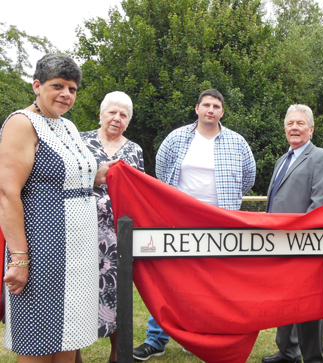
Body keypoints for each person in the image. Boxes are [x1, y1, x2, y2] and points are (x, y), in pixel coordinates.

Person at [0, 54, 116, 363]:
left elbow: (65, 178)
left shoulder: (68, 126)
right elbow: (7, 193)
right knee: (38, 340)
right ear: (37, 86)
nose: (66, 94)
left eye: (73, 89)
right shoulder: (22, 123)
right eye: (58, 86)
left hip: (79, 253)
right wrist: (20, 260)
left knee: (70, 337)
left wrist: (97, 176)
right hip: (42, 250)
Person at [133, 88, 256, 361]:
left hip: (221, 222)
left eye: (216, 106)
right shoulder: (176, 138)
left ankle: (198, 337)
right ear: (197, 108)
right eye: (206, 105)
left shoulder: (237, 142)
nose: (211, 110)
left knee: (211, 282)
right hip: (179, 220)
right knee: (169, 278)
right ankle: (156, 339)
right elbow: (162, 173)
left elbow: (249, 177)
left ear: (222, 112)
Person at [261, 104, 323, 363]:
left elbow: (321, 204)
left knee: (307, 305)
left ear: (311, 129)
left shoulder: (322, 157)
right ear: (285, 129)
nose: (294, 128)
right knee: (283, 300)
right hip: (277, 243)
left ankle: (313, 357)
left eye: (300, 123)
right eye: (290, 124)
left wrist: (300, 240)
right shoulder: (283, 160)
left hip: (305, 244)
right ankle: (287, 352)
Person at [77, 91, 144, 363]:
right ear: (101, 114)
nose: (117, 119)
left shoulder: (135, 150)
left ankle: (117, 354)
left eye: (123, 115)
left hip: (119, 236)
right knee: (79, 291)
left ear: (128, 121)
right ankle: (75, 353)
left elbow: (139, 192)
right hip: (82, 231)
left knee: (118, 293)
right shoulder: (79, 142)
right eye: (112, 112)